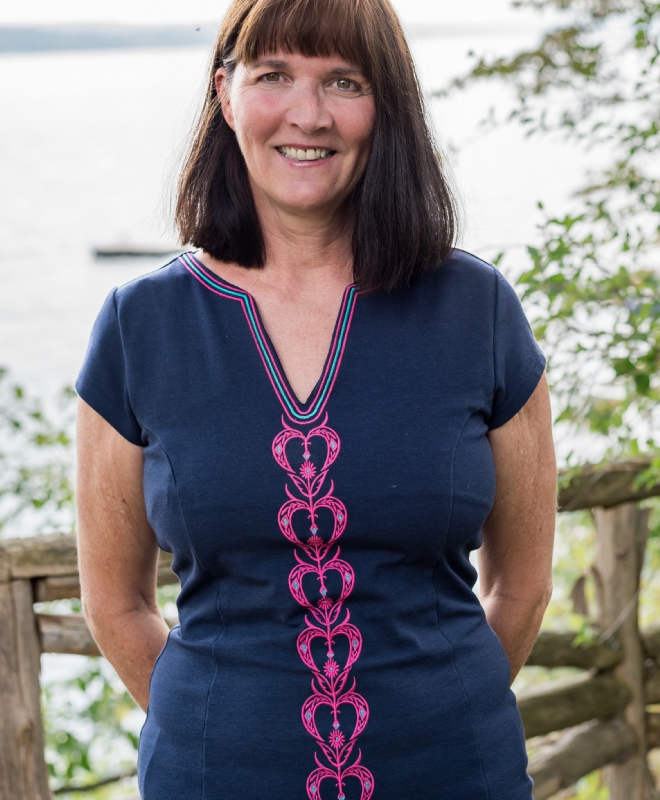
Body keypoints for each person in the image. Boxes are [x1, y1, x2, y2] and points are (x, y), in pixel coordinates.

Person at [75, 0, 557, 796]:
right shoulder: (141, 326)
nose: (309, 114)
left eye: (344, 81)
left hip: (457, 775)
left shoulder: (478, 311)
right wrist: (218, 728)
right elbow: (115, 604)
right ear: (226, 93)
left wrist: (444, 712)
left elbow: (522, 587)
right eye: (274, 75)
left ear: (385, 105)